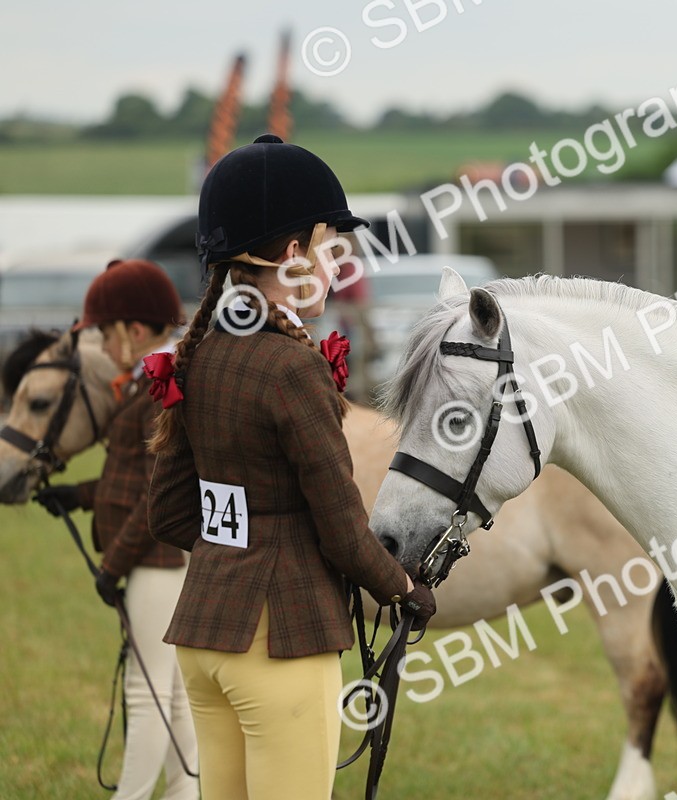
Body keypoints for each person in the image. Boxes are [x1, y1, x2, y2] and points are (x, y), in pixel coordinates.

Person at [144, 134, 436, 800]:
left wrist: (239, 553)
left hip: (203, 641)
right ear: (295, 252)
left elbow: (169, 512)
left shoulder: (199, 352)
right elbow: (340, 526)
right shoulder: (292, 368)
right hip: (281, 646)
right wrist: (403, 590)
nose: (341, 263)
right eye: (333, 245)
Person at [35, 258, 199, 800]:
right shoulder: (146, 385)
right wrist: (78, 497)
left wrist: (111, 566)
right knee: (172, 694)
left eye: (105, 334)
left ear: (132, 330)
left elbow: (155, 496)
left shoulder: (159, 389)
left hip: (156, 562)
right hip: (157, 562)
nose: (102, 347)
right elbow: (131, 478)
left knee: (145, 692)